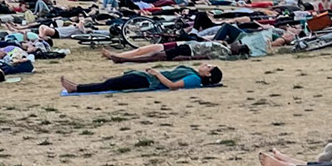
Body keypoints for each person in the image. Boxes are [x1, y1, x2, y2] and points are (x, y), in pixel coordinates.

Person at [60, 65, 222, 93]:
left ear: (207, 75)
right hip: (147, 77)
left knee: (110, 85)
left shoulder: (194, 79)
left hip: (149, 81)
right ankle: (76, 86)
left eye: (208, 67)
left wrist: (157, 74)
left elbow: (173, 86)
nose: (205, 65)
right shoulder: (192, 72)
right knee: (111, 82)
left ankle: (76, 88)